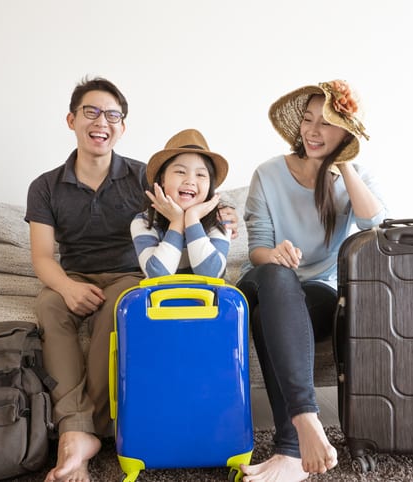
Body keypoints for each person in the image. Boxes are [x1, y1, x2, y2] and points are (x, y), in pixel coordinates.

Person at [25, 77, 239, 482]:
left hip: (130, 274)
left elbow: (189, 196)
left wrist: (223, 214)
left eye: (112, 115)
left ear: (122, 127)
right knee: (48, 305)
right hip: (74, 274)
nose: (101, 122)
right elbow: (42, 257)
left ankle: (86, 431)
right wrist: (68, 287)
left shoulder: (144, 177)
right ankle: (75, 430)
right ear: (71, 119)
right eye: (91, 112)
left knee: (121, 307)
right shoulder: (45, 186)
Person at [236, 79, 387, 482]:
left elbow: (375, 225)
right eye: (308, 120)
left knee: (274, 317)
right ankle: (305, 418)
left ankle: (289, 450)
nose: (313, 131)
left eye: (328, 123)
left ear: (346, 133)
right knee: (276, 277)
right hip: (261, 282)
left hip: (315, 293)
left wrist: (345, 165)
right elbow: (257, 248)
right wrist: (275, 255)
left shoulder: (350, 178)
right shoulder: (268, 173)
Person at [131, 128, 231, 278]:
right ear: (163, 179)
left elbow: (211, 274)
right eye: (180, 172)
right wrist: (177, 222)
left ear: (210, 184)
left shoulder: (221, 219)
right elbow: (158, 275)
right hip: (162, 293)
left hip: (209, 293)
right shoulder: (144, 221)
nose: (190, 181)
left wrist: (192, 218)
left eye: (200, 174)